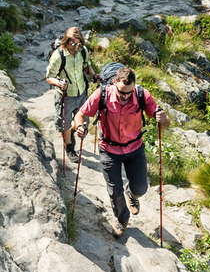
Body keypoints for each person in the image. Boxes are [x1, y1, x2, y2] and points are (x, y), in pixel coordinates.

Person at [72, 67, 170, 238]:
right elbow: (79, 115)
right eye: (121, 92)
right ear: (114, 83)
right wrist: (80, 127)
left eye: (129, 93)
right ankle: (122, 218)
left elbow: (164, 122)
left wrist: (164, 119)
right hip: (109, 149)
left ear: (134, 86)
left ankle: (132, 194)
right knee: (114, 190)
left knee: (141, 188)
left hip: (134, 148)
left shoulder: (141, 95)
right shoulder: (102, 94)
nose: (125, 96)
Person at [46, 27, 97, 163]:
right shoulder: (58, 55)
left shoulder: (82, 51)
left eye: (78, 43)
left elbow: (86, 66)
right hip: (66, 95)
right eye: (73, 43)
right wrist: (58, 83)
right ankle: (69, 147)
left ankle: (72, 131)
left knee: (83, 122)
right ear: (66, 41)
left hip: (81, 92)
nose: (75, 46)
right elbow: (49, 77)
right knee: (65, 123)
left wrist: (93, 75)